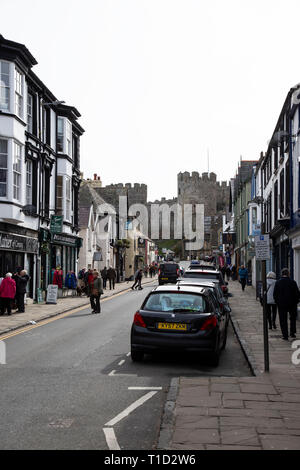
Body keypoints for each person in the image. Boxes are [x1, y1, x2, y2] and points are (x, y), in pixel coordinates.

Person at [273, 268, 300, 340]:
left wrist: (277, 302)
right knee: (293, 318)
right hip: (292, 303)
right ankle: (292, 333)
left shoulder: (278, 282)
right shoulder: (293, 282)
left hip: (281, 304)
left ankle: (285, 335)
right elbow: (297, 293)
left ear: (282, 274)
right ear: (288, 274)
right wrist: (296, 301)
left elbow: (275, 294)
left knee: (283, 319)